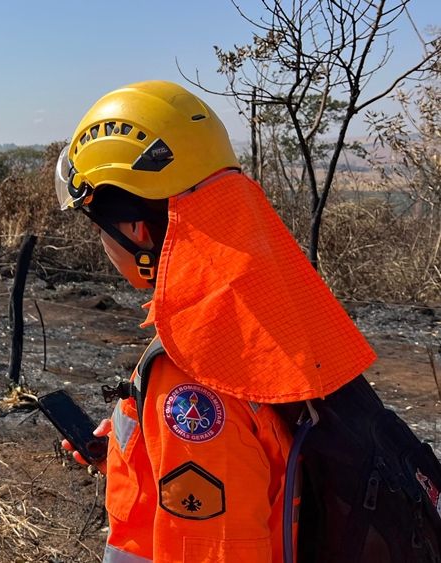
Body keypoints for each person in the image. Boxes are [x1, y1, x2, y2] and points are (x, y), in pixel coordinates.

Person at [55, 81, 376, 563]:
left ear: (135, 229)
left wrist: (174, 431)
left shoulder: (193, 373)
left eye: (98, 228)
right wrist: (138, 451)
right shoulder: (275, 313)